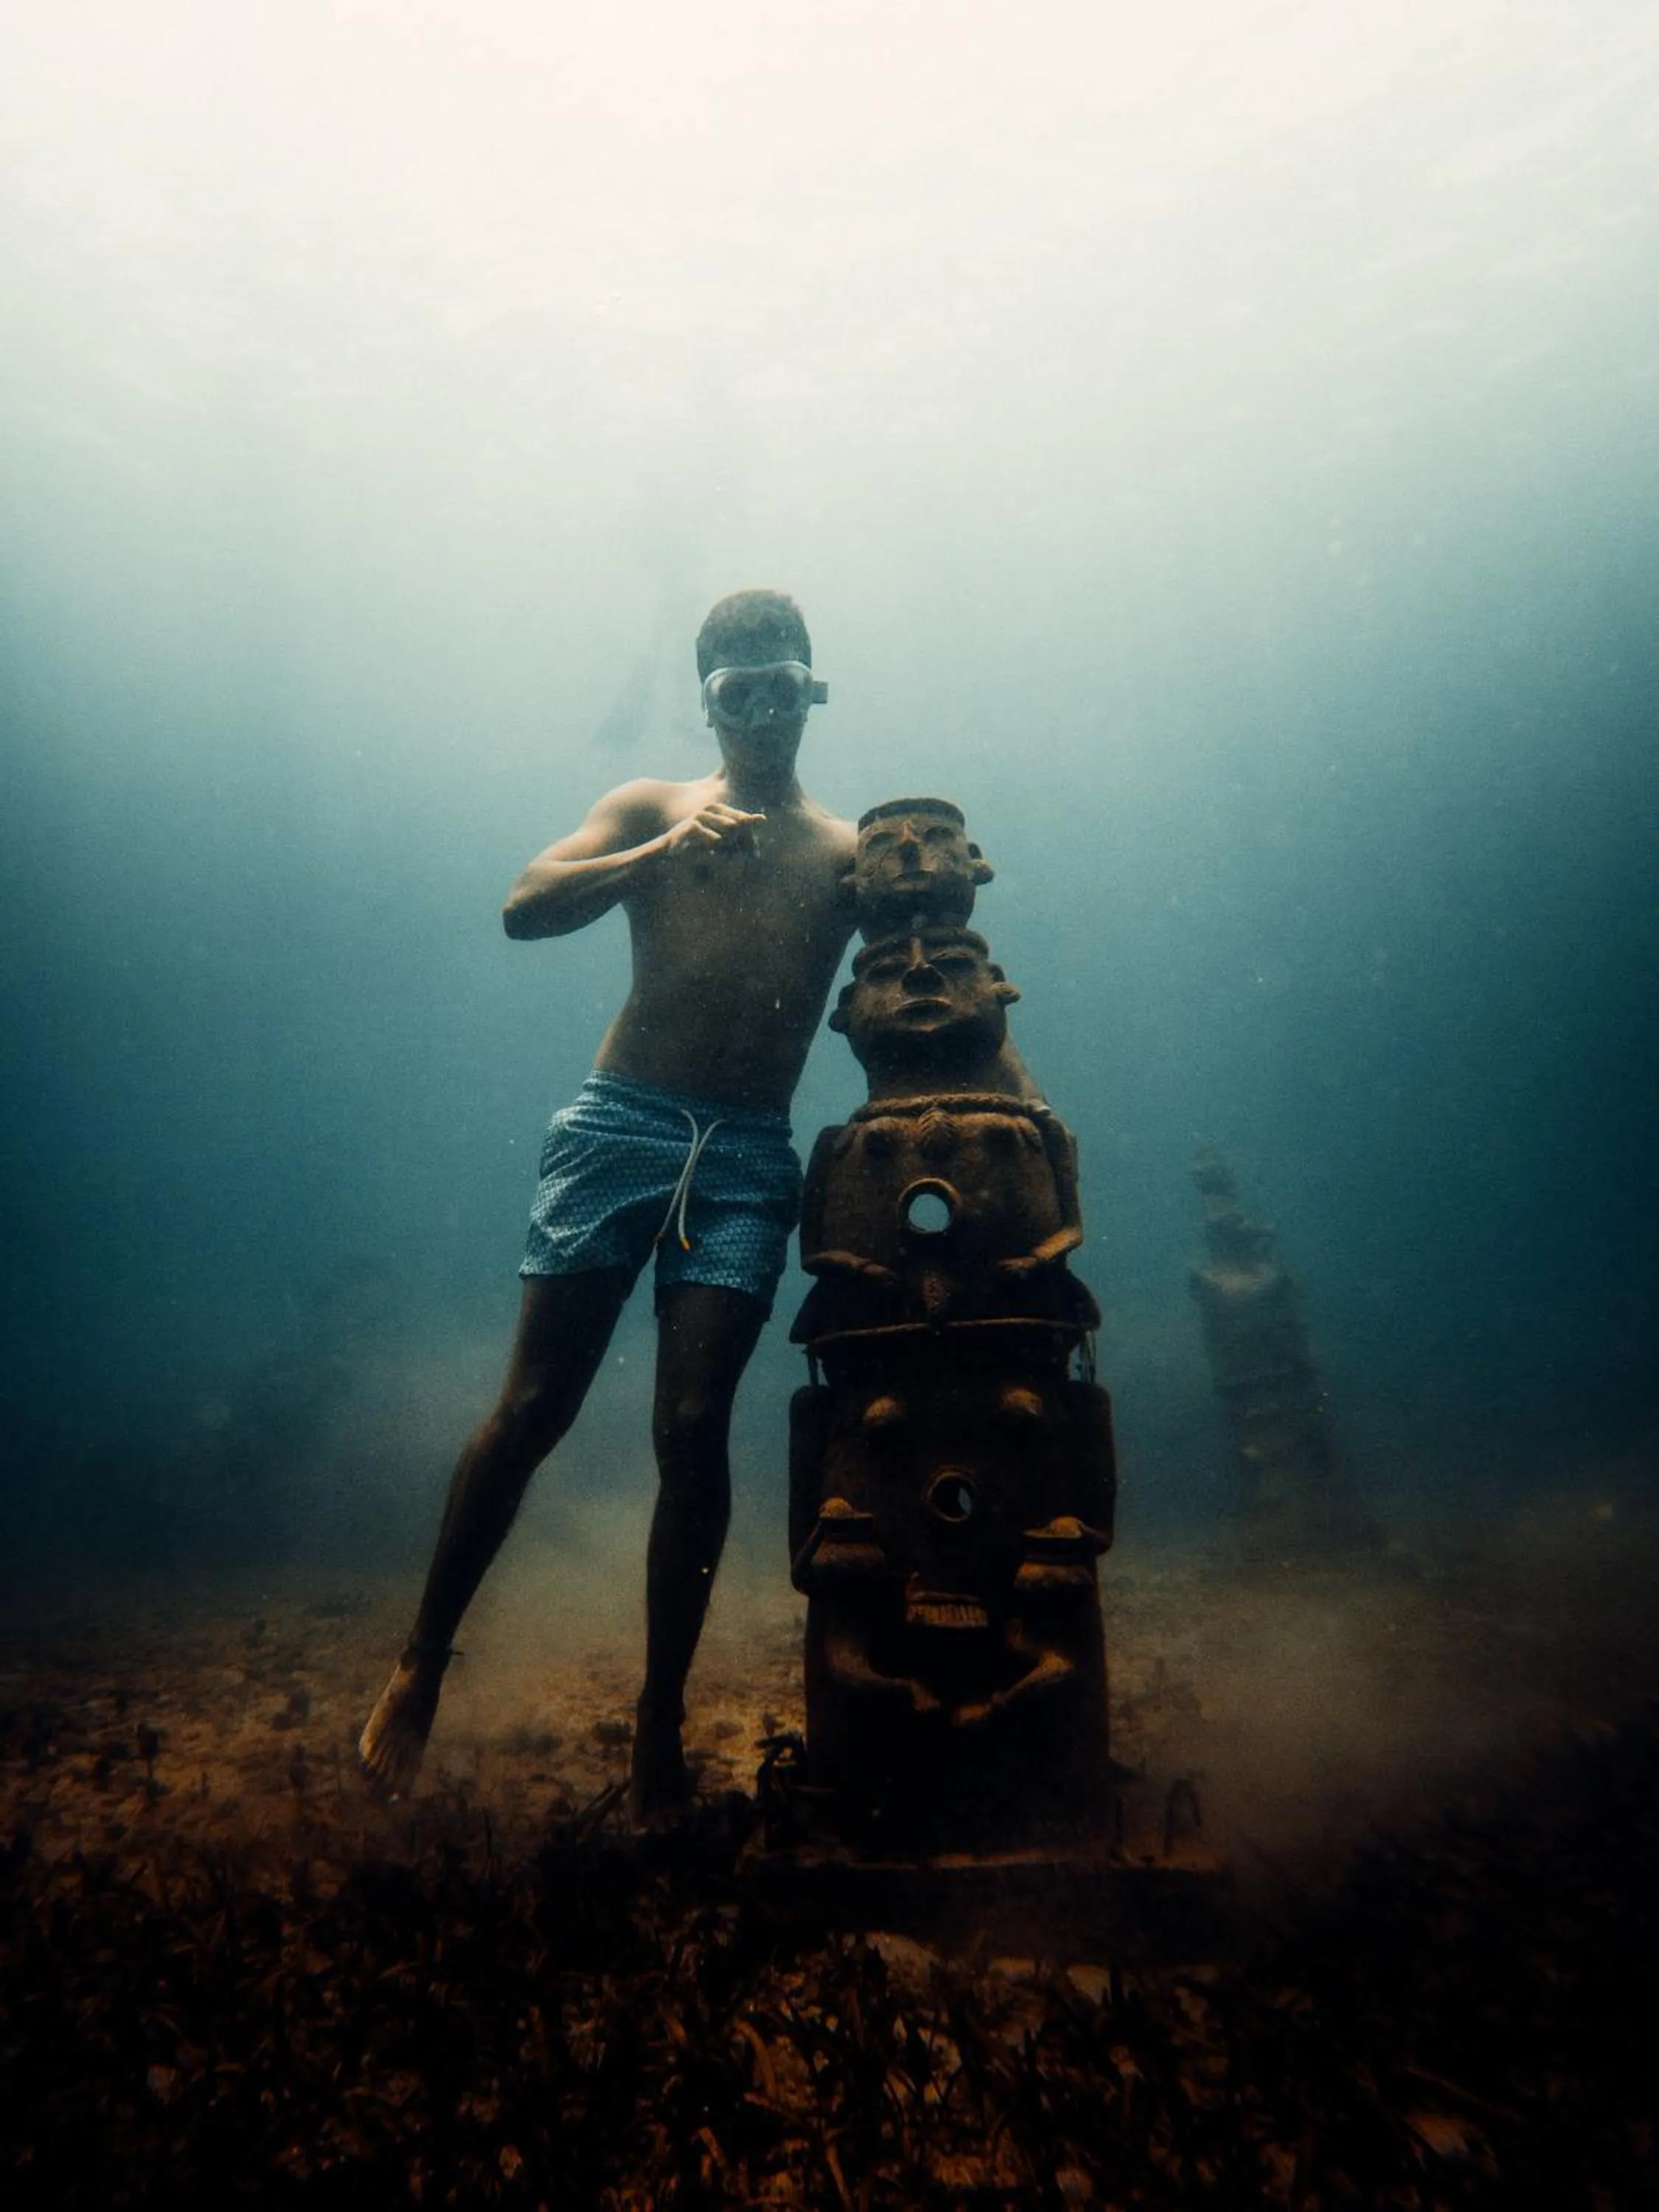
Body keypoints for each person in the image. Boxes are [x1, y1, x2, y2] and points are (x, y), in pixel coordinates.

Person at [358, 589, 858, 1819]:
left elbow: (930, 948)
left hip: (746, 1153)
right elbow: (523, 906)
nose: (760, 714)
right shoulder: (651, 806)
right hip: (619, 1126)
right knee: (535, 1406)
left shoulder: (846, 855)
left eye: (779, 688)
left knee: (691, 1429)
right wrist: (657, 856)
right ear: (706, 703)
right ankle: (421, 1659)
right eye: (736, 693)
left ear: (812, 690)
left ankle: (658, 1721)